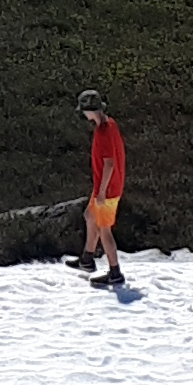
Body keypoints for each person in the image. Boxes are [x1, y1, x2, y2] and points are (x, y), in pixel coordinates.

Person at [76, 90, 127, 286]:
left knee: (104, 229)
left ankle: (115, 272)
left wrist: (103, 192)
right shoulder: (109, 124)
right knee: (90, 215)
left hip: (108, 190)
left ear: (90, 111)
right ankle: (87, 259)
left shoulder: (104, 132)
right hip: (103, 187)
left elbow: (109, 164)